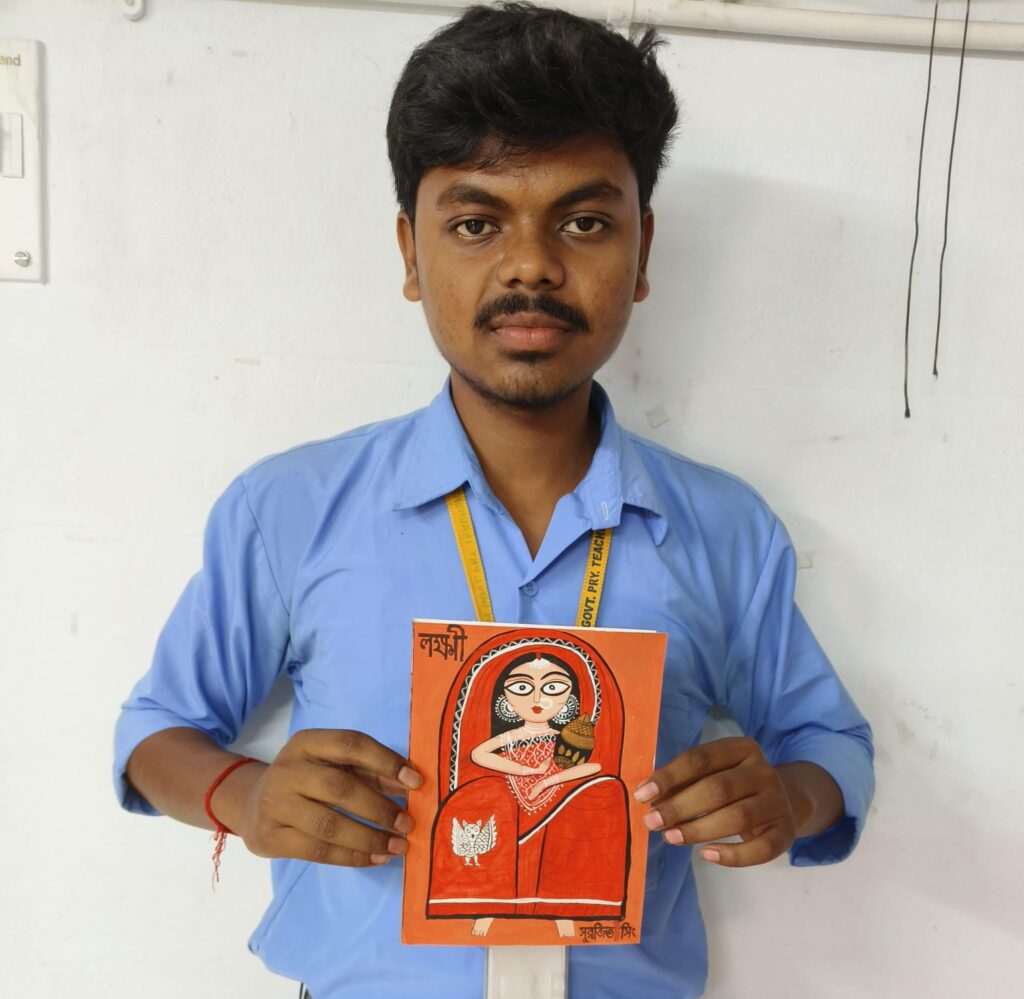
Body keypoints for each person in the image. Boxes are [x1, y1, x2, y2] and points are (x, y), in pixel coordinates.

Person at [113, 3, 875, 998]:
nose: (530, 266)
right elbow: (156, 731)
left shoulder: (725, 529)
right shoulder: (289, 509)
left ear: (642, 252)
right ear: (409, 252)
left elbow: (830, 744)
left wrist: (789, 797)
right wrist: (247, 797)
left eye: (585, 222)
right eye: (475, 223)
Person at [427, 634, 629, 940]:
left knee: (606, 790)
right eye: (522, 688)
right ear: (505, 698)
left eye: (552, 688)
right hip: (509, 803)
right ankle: (487, 907)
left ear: (569, 698)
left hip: (556, 803)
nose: (537, 699)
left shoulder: (566, 738)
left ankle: (565, 909)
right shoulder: (510, 737)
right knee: (485, 797)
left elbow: (594, 767)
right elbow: (478, 755)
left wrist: (548, 780)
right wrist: (524, 770)